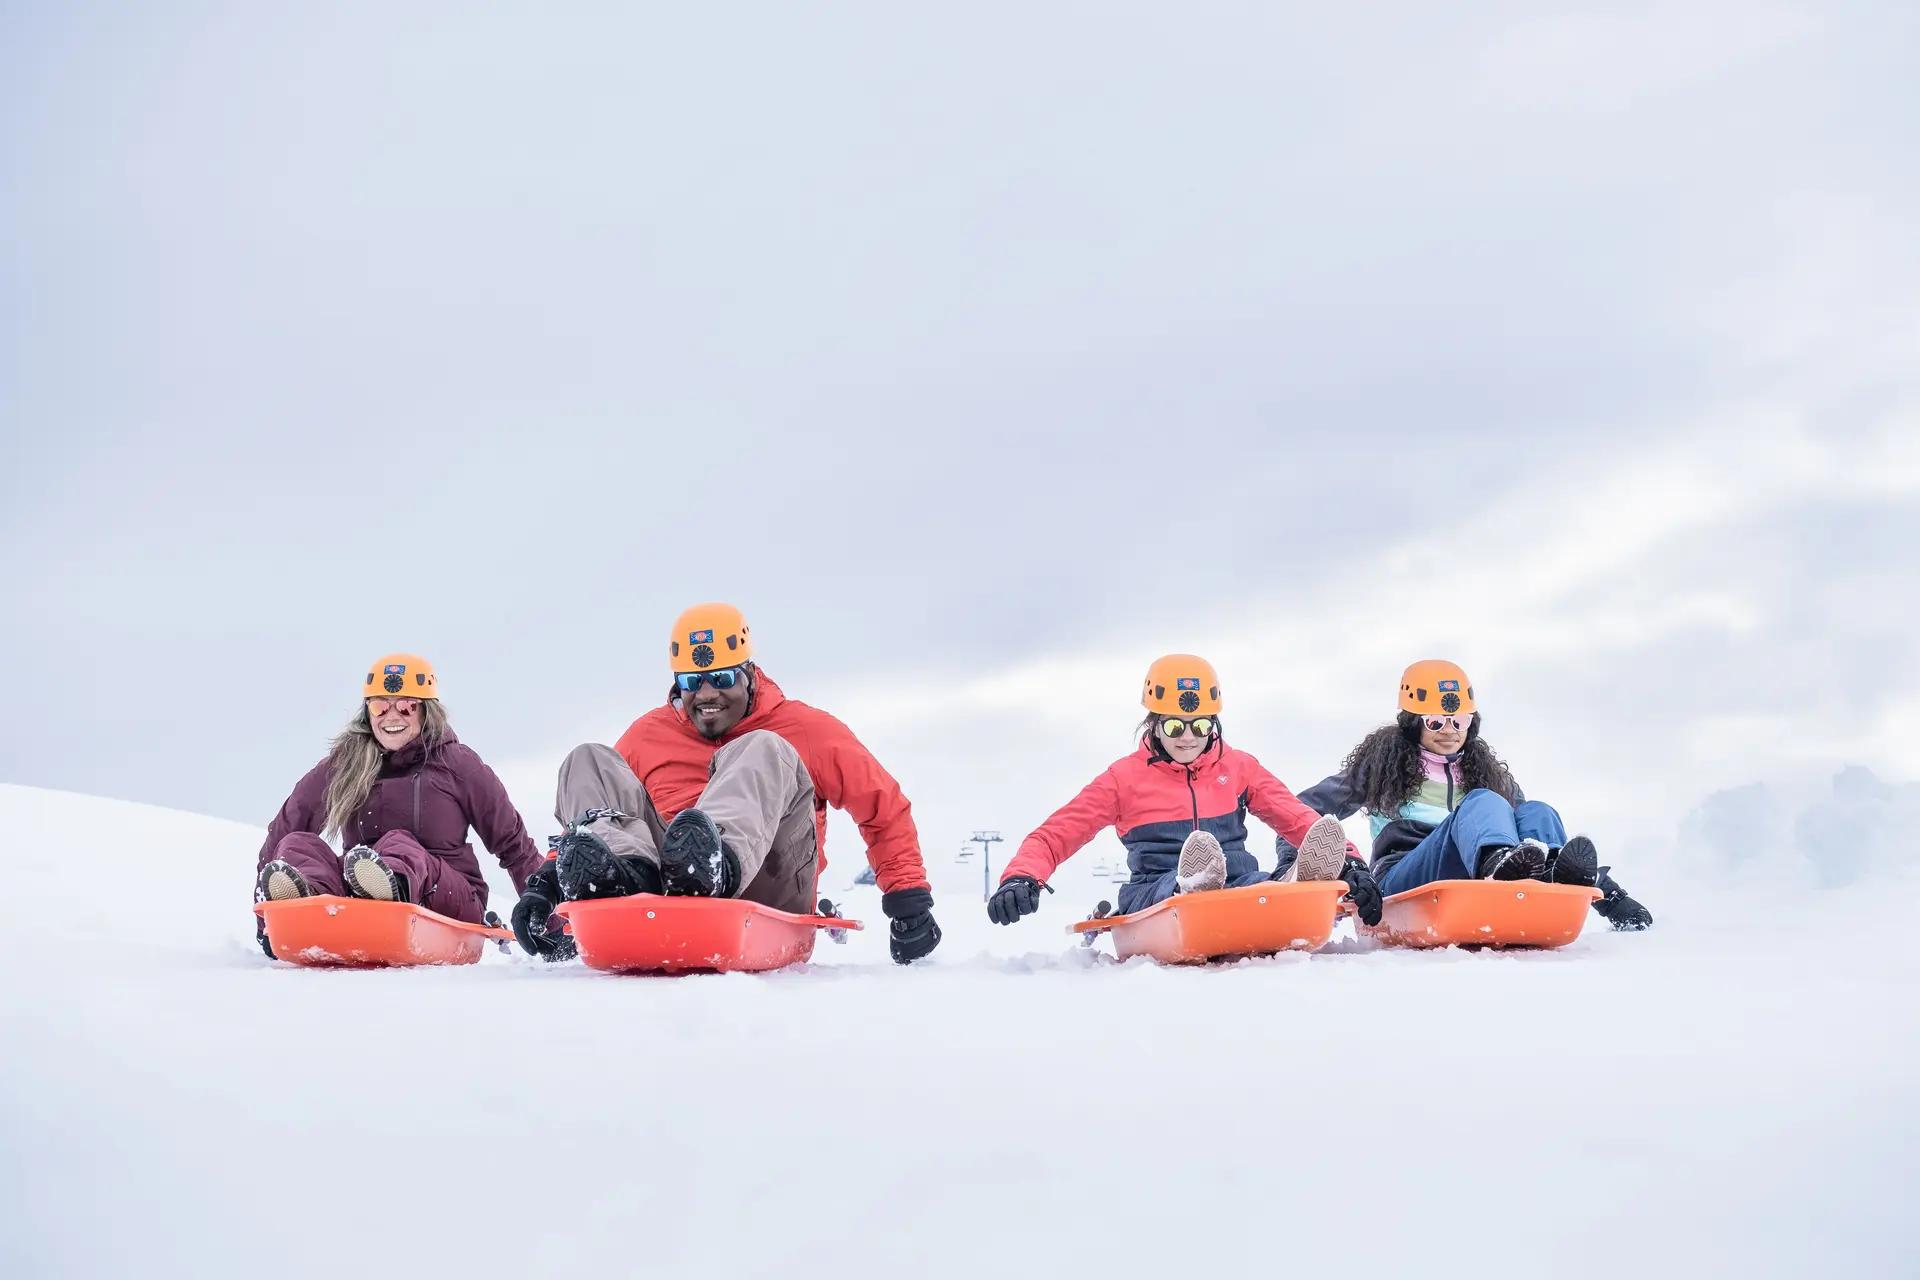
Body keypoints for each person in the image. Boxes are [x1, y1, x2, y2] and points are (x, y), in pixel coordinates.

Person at [511, 604, 942, 964]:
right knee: (589, 760)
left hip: (768, 885)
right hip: (668, 885)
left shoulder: (806, 730)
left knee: (763, 748)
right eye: (691, 683)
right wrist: (547, 882)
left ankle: (714, 864)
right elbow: (604, 806)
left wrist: (908, 900)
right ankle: (625, 877)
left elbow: (882, 806)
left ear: (749, 674)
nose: (705, 694)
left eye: (721, 679)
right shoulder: (649, 735)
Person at [986, 655, 1383, 926]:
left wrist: (1352, 863)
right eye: (1175, 726)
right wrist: (1022, 877)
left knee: (1254, 886)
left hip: (1235, 885)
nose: (1189, 737)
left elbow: (1298, 819)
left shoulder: (1237, 766)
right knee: (1180, 889)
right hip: (1157, 890)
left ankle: (1289, 886)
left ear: (1214, 723)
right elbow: (1057, 833)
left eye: (1201, 725)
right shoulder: (1123, 779)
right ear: (1154, 724)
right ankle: (1194, 884)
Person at [1281, 660, 1653, 929]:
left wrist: (1612, 896)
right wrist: (1311, 869)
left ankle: (1555, 878)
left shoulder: (1483, 772)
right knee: (1485, 802)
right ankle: (1498, 865)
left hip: (1469, 875)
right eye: (1436, 721)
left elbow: (1529, 821)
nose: (1449, 730)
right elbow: (1297, 813)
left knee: (1536, 811)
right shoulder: (1381, 767)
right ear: (1413, 722)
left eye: (1459, 721)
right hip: (1405, 873)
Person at [253, 654, 546, 956]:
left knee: (397, 844)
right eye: (380, 706)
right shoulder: (346, 765)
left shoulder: (457, 764)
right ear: (368, 713)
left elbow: (514, 844)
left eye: (406, 706)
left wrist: (546, 918)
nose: (391, 716)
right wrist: (265, 923)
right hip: (358, 901)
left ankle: (389, 889)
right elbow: (285, 827)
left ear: (426, 711)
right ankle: (303, 904)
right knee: (297, 845)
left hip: (450, 898)